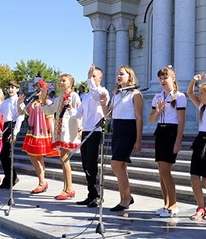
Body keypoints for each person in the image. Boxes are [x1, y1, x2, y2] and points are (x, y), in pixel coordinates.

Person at [104, 65, 144, 212]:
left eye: (122, 74)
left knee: (115, 165)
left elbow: (139, 118)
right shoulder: (117, 95)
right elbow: (109, 115)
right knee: (121, 166)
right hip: (117, 130)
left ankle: (127, 198)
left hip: (128, 131)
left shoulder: (136, 95)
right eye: (117, 74)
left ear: (130, 77)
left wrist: (138, 140)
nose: (118, 76)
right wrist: (103, 103)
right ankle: (124, 197)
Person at [148, 66, 186, 217]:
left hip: (172, 132)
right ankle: (166, 203)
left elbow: (181, 121)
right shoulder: (157, 97)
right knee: (161, 171)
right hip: (160, 131)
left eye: (166, 78)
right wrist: (158, 111)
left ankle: (174, 204)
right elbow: (150, 119)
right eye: (161, 78)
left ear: (173, 78)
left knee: (165, 170)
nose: (163, 81)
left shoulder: (179, 96)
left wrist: (178, 141)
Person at [72, 64, 109, 207]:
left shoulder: (101, 91)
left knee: (93, 164)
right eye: (90, 76)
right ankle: (90, 194)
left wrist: (90, 81)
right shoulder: (86, 96)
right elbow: (79, 113)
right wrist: (70, 110)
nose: (91, 78)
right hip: (86, 131)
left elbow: (96, 96)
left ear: (100, 78)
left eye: (94, 76)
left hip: (96, 131)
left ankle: (98, 195)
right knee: (86, 164)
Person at [40, 73, 82, 200]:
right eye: (61, 81)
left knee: (64, 158)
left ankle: (69, 188)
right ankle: (66, 187)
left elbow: (79, 113)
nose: (61, 83)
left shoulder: (74, 96)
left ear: (71, 83)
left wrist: (80, 128)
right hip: (60, 130)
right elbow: (49, 110)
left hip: (68, 131)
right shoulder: (59, 98)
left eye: (64, 81)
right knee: (63, 159)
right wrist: (42, 100)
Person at [186, 73, 206, 221]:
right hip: (200, 141)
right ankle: (200, 207)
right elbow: (189, 93)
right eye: (199, 94)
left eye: (202, 94)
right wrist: (194, 80)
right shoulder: (202, 107)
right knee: (194, 177)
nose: (199, 96)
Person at [19, 79, 54, 194]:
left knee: (34, 157)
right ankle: (42, 181)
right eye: (35, 87)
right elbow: (21, 112)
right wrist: (20, 102)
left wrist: (53, 136)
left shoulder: (48, 103)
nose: (36, 89)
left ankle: (42, 182)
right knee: (37, 157)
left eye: (39, 87)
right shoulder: (32, 103)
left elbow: (50, 120)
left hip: (41, 134)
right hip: (32, 133)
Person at [0, 80, 24, 189]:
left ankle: (12, 178)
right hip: (6, 125)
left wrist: (15, 133)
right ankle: (8, 178)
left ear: (17, 89)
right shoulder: (6, 102)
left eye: (13, 88)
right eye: (9, 88)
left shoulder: (18, 101)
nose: (10, 90)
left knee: (7, 154)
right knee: (4, 155)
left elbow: (20, 117)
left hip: (13, 126)